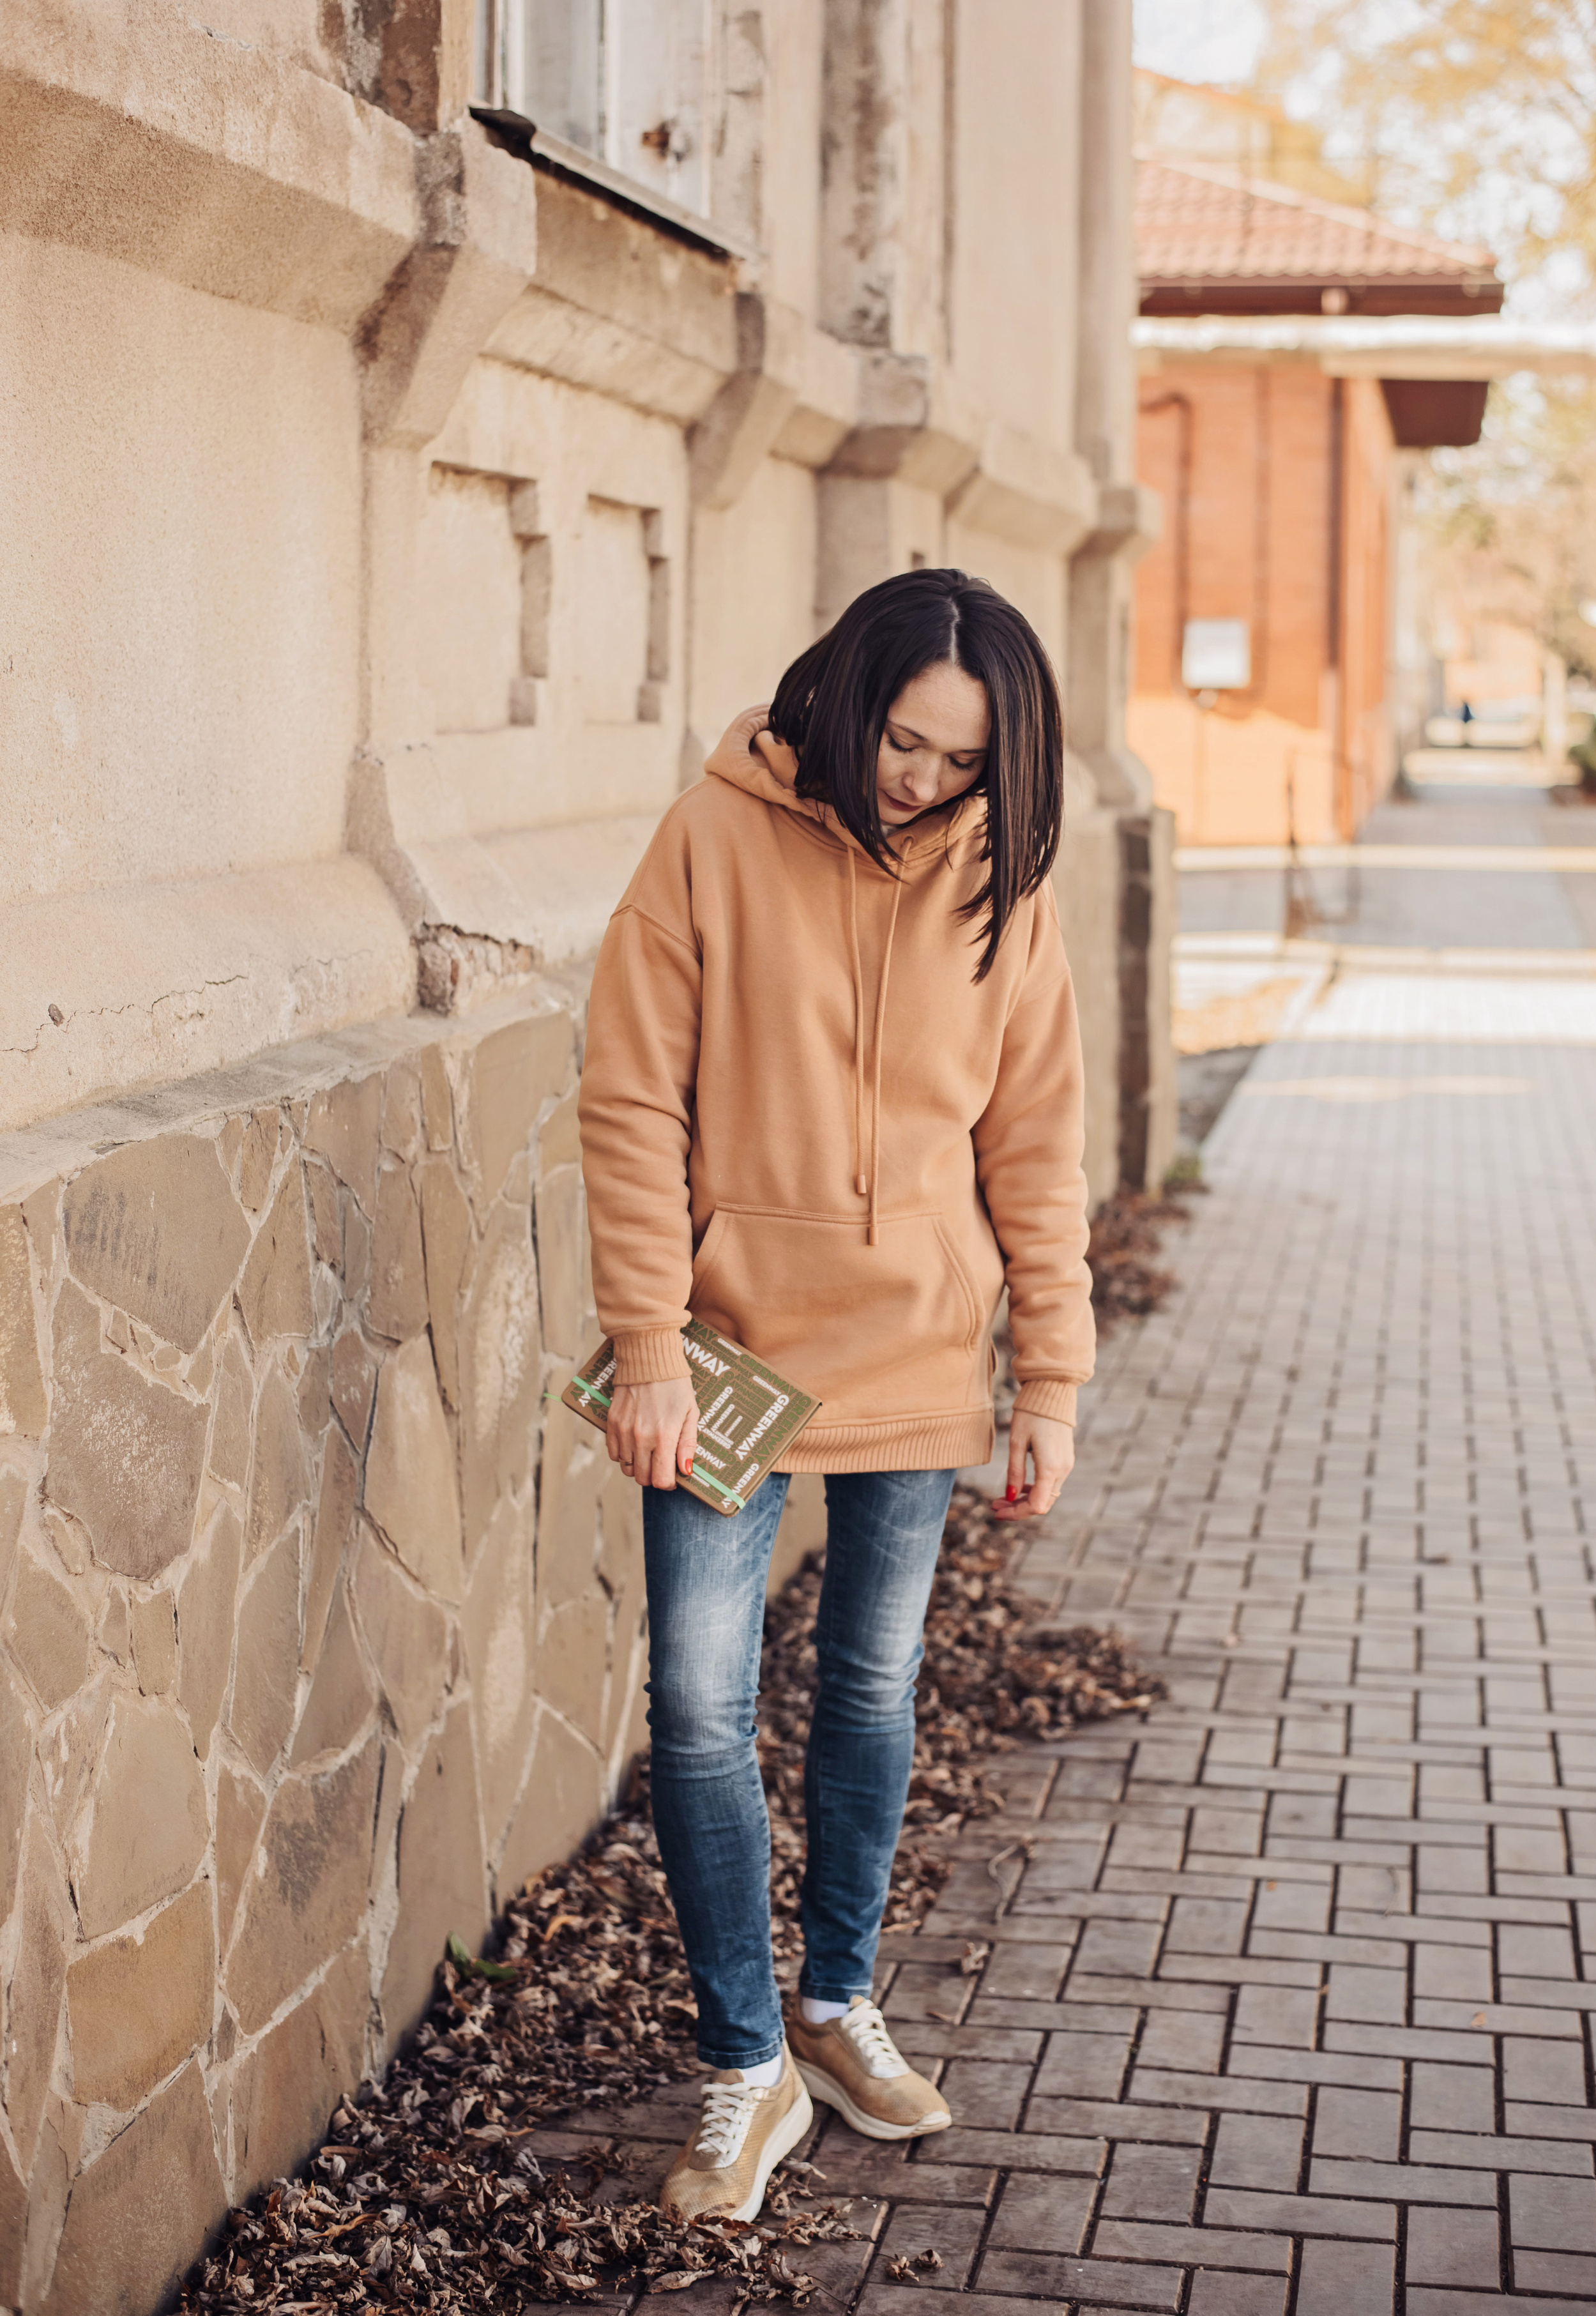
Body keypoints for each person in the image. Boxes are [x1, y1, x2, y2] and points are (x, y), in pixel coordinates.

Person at [577, 567, 1095, 2220]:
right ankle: (745, 2065)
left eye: (959, 759)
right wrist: (649, 1346)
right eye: (904, 737)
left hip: (924, 1352)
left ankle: (835, 2002)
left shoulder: (1005, 886)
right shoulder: (713, 836)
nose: (920, 780)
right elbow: (629, 1100)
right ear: (847, 690)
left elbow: (1035, 1147)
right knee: (701, 1713)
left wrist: (1053, 1380)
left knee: (871, 1695)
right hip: (729, 1354)